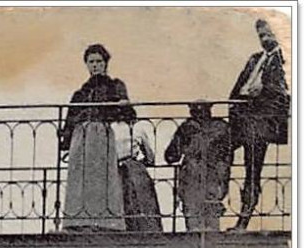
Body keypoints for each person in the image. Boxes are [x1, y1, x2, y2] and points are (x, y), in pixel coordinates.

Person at [58, 44, 134, 231]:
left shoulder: (115, 86)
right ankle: (78, 221)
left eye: (99, 61)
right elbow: (70, 119)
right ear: (86, 65)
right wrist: (65, 141)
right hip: (81, 137)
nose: (95, 65)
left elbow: (128, 113)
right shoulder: (80, 93)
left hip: (101, 134)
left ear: (105, 63)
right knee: (80, 179)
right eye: (91, 62)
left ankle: (105, 222)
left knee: (102, 177)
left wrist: (121, 106)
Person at [227, 18, 290, 230]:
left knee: (252, 169)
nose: (264, 39)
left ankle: (244, 218)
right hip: (243, 117)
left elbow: (285, 94)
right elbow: (237, 87)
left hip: (261, 122)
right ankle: (215, 197)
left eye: (268, 34)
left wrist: (263, 90)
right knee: (217, 146)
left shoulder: (287, 58)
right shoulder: (255, 58)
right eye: (261, 35)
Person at [165, 101, 234, 232]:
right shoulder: (221, 127)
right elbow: (228, 157)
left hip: (197, 178)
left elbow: (171, 156)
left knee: (196, 225)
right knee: (209, 225)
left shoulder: (188, 128)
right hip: (210, 179)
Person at [118, 126, 164, 233]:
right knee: (143, 204)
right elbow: (150, 157)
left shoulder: (111, 129)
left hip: (115, 170)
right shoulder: (137, 129)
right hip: (135, 169)